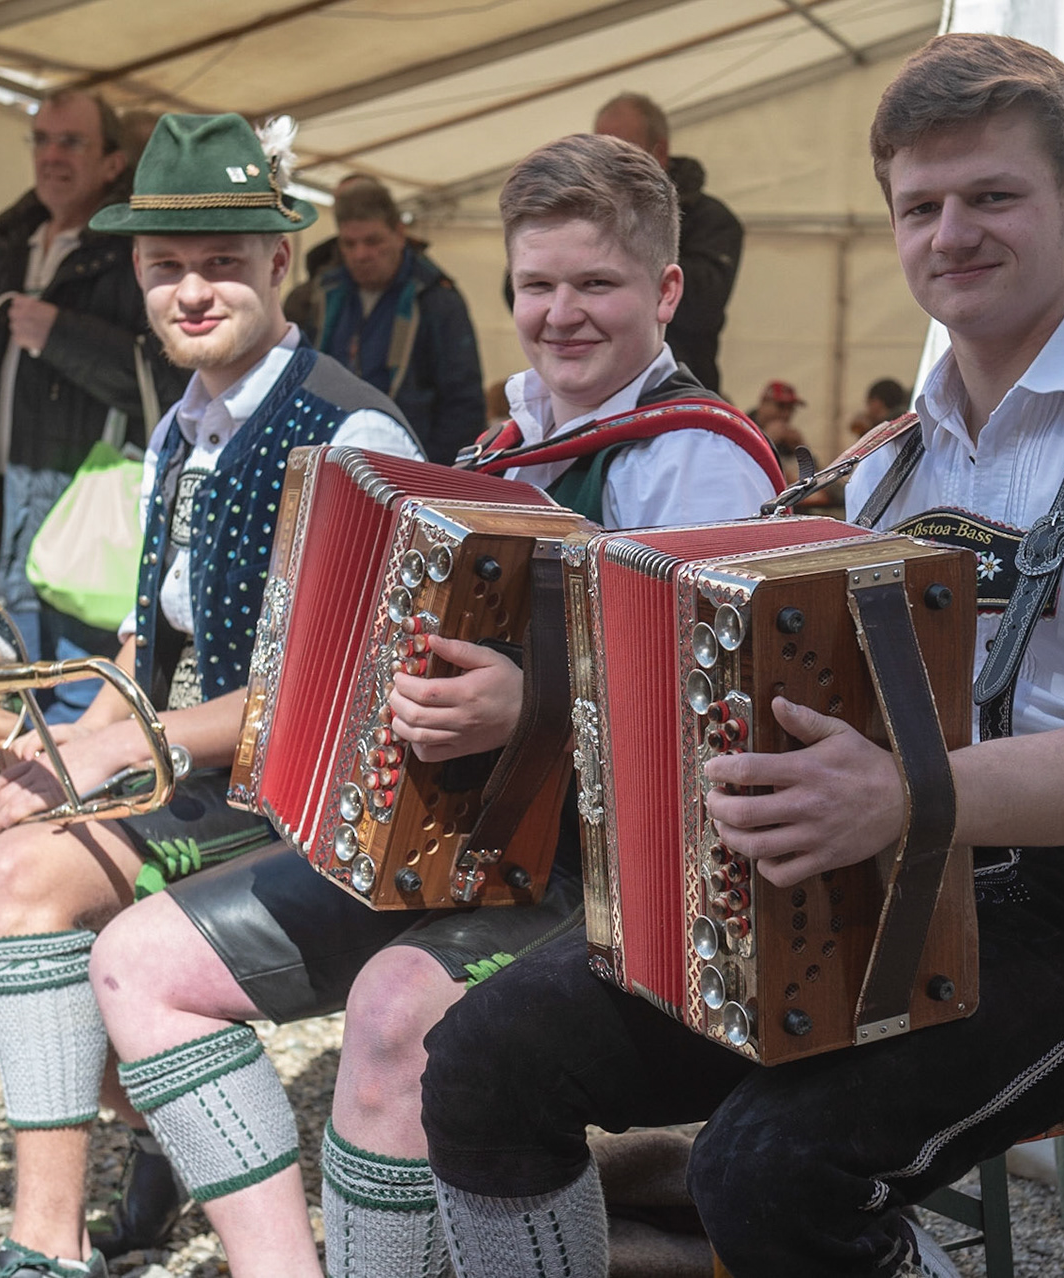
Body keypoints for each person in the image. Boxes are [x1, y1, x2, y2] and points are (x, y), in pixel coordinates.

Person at [419, 33, 1064, 1278]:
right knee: (488, 1057)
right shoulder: (888, 461)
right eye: (920, 207)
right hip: (891, 864)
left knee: (768, 1171)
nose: (953, 235)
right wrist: (557, 708)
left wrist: (898, 795)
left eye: (993, 196)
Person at [86, 131, 779, 1278]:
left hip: (626, 879)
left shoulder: (703, 466)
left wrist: (538, 707)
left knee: (393, 1006)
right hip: (464, 842)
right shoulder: (504, 450)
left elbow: (732, 730)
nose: (562, 313)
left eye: (596, 284)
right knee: (140, 962)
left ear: (665, 290)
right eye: (537, 285)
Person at [0, 112, 422, 1278]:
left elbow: (340, 693)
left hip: (291, 792)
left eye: (220, 261)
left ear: (276, 261)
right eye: (166, 267)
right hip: (178, 765)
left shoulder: (352, 431)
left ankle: (42, 1244)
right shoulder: (176, 426)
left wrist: (111, 754)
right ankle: (181, 1118)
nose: (191, 289)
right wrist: (63, 738)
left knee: (21, 877)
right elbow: (140, 648)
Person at [0, 88, 183, 720]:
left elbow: (164, 378)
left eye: (71, 141)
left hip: (83, 510)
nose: (51, 155)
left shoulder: (135, 251)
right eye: (41, 140)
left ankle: (71, 814)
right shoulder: (11, 243)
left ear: (111, 163)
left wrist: (61, 335)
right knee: (2, 697)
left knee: (76, 697)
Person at [311, 178, 486, 464]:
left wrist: (434, 479)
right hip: (332, 458)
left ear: (399, 234)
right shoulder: (322, 295)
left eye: (373, 241)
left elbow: (462, 404)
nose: (361, 254)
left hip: (409, 466)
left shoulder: (436, 300)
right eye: (349, 244)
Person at [595, 91, 743, 394]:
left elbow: (701, 306)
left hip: (677, 394)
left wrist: (627, 235)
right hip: (595, 392)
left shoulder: (711, 220)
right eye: (599, 152)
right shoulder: (582, 217)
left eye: (622, 151)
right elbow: (520, 292)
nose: (607, 167)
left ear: (659, 152)